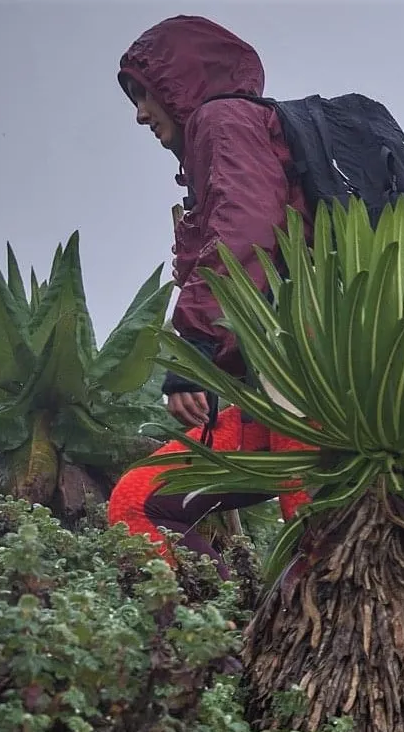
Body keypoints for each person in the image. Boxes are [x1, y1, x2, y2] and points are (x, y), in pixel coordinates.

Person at [106, 15, 312, 572]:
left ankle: (352, 652)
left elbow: (248, 235)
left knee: (320, 540)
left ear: (179, 85)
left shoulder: (222, 120)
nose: (141, 113)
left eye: (146, 95)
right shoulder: (228, 137)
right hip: (265, 395)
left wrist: (194, 351)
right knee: (137, 501)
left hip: (310, 383)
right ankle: (220, 648)